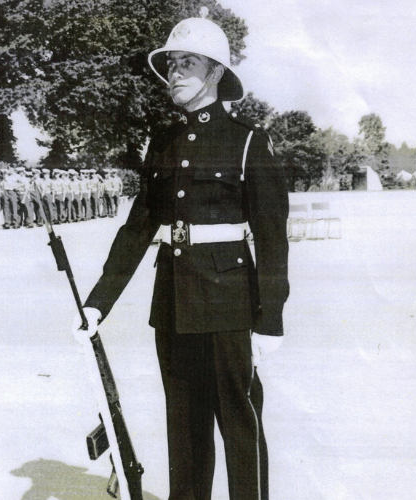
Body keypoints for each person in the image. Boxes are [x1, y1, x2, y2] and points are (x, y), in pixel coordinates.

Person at [72, 11, 289, 500]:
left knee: (239, 426)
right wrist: (98, 302)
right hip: (172, 300)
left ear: (215, 72)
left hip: (230, 303)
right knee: (185, 430)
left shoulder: (248, 140)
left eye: (187, 62)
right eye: (171, 63)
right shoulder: (163, 142)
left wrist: (270, 319)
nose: (174, 72)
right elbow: (138, 227)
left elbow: (273, 237)